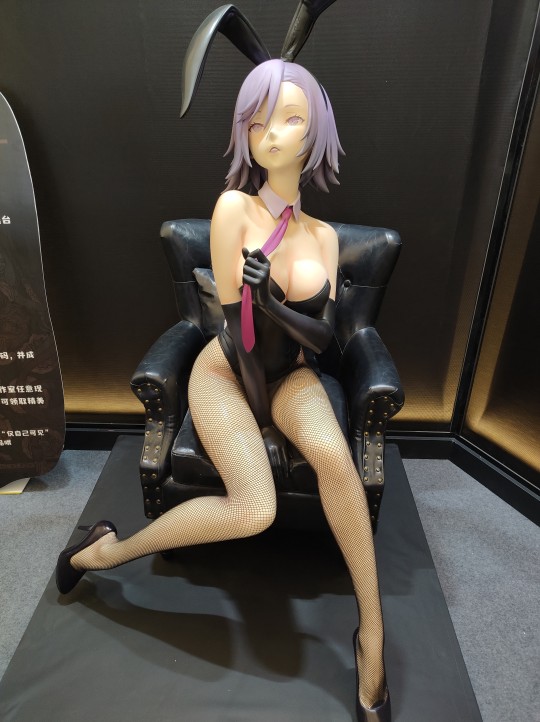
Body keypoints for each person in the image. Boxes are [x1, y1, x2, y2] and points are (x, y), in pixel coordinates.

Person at [56, 58, 390, 722]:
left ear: (317, 132)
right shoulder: (234, 208)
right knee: (253, 509)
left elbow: (322, 340)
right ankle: (105, 548)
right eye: (257, 121)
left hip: (291, 374)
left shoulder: (323, 237)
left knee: (334, 457)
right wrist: (254, 316)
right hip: (227, 374)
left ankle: (373, 634)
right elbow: (236, 336)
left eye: (290, 119)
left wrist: (275, 303)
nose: (272, 134)